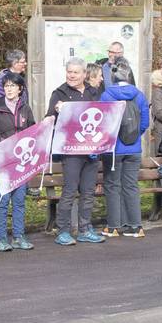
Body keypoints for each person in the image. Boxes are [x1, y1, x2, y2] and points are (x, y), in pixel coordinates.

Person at [47, 56, 105, 245]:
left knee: (88, 191)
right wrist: (58, 112)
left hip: (91, 151)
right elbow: (49, 119)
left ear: (84, 74)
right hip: (71, 152)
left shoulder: (93, 91)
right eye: (69, 72)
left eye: (75, 72)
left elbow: (103, 117)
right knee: (70, 191)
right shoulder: (59, 93)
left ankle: (84, 229)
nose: (71, 75)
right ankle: (63, 231)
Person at [0, 73, 36, 251]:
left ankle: (19, 236)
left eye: (13, 86)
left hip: (20, 160)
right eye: (6, 86)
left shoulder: (25, 108)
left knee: (19, 199)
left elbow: (33, 130)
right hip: (2, 160)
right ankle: (1, 238)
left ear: (20, 89)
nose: (10, 89)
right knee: (3, 198)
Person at [100, 58, 151, 238]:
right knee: (131, 186)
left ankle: (114, 226)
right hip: (134, 148)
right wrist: (133, 137)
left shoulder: (107, 95)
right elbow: (144, 123)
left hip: (113, 149)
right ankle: (136, 227)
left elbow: (103, 124)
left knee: (113, 185)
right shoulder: (139, 95)